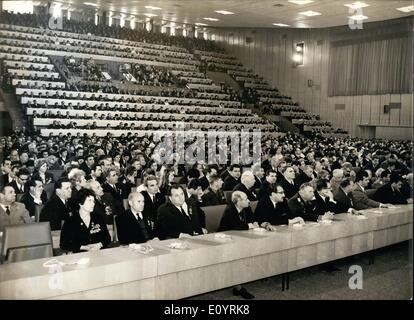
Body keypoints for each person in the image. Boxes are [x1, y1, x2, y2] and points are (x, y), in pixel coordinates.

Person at [217, 191, 259, 300]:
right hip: (225, 240)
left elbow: (253, 220)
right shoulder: (230, 210)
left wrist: (253, 223)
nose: (249, 201)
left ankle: (240, 282)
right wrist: (249, 225)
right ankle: (238, 287)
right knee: (236, 259)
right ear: (238, 201)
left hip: (241, 237)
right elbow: (234, 226)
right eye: (246, 199)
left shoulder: (246, 208)